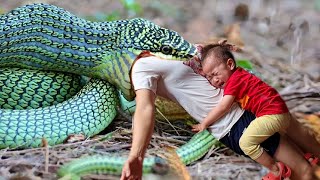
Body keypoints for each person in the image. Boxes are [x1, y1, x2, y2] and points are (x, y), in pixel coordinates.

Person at [120, 46, 319, 180]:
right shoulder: (142, 67)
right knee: (302, 170)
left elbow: (214, 59)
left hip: (248, 109)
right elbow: (144, 108)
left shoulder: (172, 48)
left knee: (304, 162)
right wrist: (137, 155)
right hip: (231, 126)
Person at [191, 40, 320, 180]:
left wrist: (205, 123)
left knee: (246, 143)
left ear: (230, 64)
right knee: (297, 134)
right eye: (209, 78)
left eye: (215, 74)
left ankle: (275, 169)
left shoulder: (233, 82)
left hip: (271, 114)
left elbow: (223, 107)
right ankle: (308, 155)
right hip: (279, 109)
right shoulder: (241, 74)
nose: (214, 80)